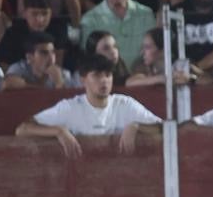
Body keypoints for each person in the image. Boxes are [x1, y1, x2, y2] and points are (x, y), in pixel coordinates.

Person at [14, 54, 162, 160]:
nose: (104, 81)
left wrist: (137, 126)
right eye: (97, 75)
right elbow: (22, 130)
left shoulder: (125, 104)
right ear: (83, 79)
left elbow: (163, 128)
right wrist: (59, 131)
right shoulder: (70, 108)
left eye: (108, 75)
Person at [80, 0, 156, 68]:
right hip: (108, 77)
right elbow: (90, 58)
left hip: (142, 76)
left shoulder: (146, 14)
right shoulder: (90, 19)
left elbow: (154, 50)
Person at [3, 30, 77, 89]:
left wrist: (59, 83)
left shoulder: (63, 74)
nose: (51, 58)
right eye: (44, 53)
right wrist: (43, 88)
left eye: (53, 52)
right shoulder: (19, 69)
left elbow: (66, 104)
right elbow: (7, 84)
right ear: (29, 57)